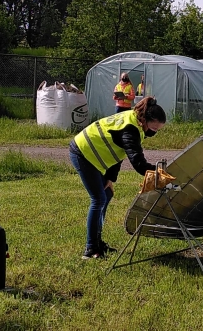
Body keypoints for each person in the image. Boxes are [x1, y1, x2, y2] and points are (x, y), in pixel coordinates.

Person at [69, 96, 167, 259]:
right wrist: (160, 173)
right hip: (82, 152)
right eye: (154, 129)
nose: (154, 133)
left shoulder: (134, 121)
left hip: (91, 153)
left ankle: (98, 242)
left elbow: (118, 152)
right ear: (144, 120)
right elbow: (138, 164)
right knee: (98, 199)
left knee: (106, 194)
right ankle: (90, 249)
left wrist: (110, 178)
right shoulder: (130, 129)